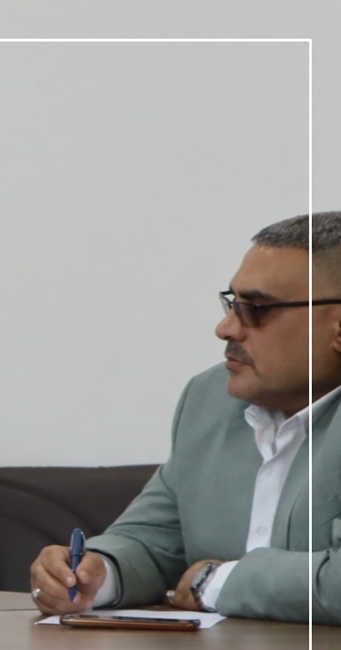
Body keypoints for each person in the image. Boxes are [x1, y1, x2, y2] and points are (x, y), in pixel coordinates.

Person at [30, 212, 341, 625]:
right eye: (232, 304)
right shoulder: (212, 399)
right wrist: (95, 574)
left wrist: (214, 582)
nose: (225, 328)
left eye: (257, 309)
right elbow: (154, 538)